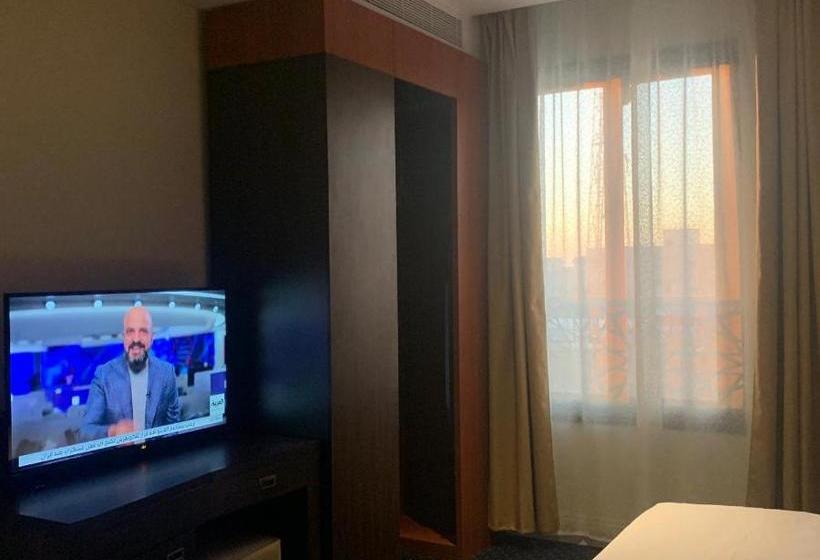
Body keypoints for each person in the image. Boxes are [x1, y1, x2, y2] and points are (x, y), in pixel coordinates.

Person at [79, 306, 180, 442]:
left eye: (143, 331)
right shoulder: (104, 375)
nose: (136, 339)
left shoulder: (167, 373)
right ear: (124, 337)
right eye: (130, 331)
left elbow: (173, 425)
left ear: (151, 338)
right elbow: (86, 431)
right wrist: (113, 431)